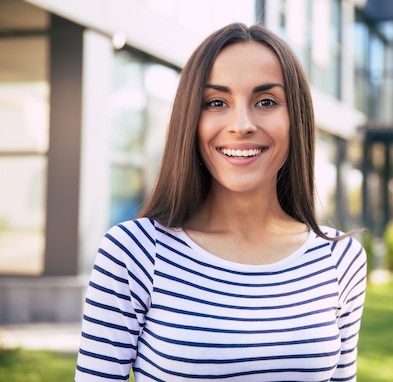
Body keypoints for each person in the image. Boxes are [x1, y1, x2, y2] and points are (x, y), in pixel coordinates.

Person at [75, 22, 367, 381]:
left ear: (296, 120)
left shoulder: (340, 259)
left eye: (266, 101)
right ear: (190, 121)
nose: (241, 124)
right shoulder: (134, 253)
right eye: (216, 102)